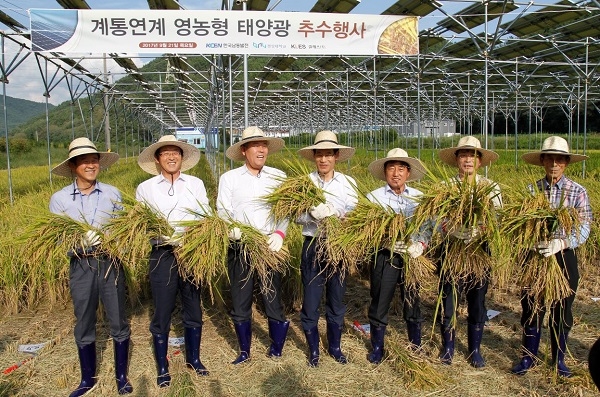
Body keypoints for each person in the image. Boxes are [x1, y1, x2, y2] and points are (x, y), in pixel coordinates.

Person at [49, 137, 132, 396]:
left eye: (94, 160)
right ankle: (87, 379)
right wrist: (79, 243)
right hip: (80, 265)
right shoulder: (60, 199)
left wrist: (117, 242)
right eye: (84, 161)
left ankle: (121, 376)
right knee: (84, 319)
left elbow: (124, 229)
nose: (90, 165)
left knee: (118, 319)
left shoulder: (112, 193)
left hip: (110, 262)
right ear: (73, 166)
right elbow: (57, 237)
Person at [511, 136, 592, 377]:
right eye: (550, 159)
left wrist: (563, 242)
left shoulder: (578, 191)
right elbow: (520, 224)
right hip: (535, 257)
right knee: (532, 308)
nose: (554, 164)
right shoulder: (531, 191)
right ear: (543, 161)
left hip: (564, 256)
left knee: (562, 310)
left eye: (560, 159)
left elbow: (585, 226)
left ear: (566, 162)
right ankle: (528, 357)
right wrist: (530, 237)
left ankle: (558, 360)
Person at [136, 135, 210, 387]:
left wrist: (195, 232)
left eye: (175, 152)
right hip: (162, 253)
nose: (171, 156)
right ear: (157, 159)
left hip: (191, 252)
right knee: (162, 310)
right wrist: (158, 233)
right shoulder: (145, 188)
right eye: (165, 153)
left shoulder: (196, 183)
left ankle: (195, 360)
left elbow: (206, 215)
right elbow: (141, 224)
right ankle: (163, 367)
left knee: (193, 307)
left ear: (182, 157)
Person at [216, 126, 290, 364]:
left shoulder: (279, 177)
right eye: (255, 145)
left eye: (264, 145)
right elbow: (223, 210)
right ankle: (244, 351)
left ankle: (277, 347)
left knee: (272, 298)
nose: (261, 149)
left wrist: (280, 233)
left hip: (270, 247)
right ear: (244, 150)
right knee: (240, 301)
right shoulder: (229, 179)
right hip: (240, 247)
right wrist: (232, 230)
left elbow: (286, 211)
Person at [436, 136, 502, 368]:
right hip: (451, 249)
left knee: (477, 302)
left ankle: (474, 349)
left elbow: (497, 221)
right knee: (449, 301)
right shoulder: (445, 187)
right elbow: (435, 218)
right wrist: (451, 229)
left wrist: (480, 230)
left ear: (480, 161)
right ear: (456, 160)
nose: (468, 160)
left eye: (473, 155)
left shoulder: (490, 188)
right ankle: (449, 347)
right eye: (463, 155)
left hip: (479, 252)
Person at [296, 130, 357, 367]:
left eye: (328, 155)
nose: (323, 159)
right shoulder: (305, 183)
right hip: (313, 244)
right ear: (314, 157)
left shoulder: (348, 183)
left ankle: (335, 346)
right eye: (319, 155)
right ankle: (313, 351)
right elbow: (295, 216)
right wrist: (311, 214)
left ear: (336, 156)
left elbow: (355, 214)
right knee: (311, 301)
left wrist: (339, 215)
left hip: (338, 246)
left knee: (336, 299)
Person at [365, 148, 429, 364]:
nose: (396, 173)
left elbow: (429, 227)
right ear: (385, 172)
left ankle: (415, 344)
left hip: (412, 258)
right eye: (391, 168)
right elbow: (365, 230)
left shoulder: (420, 198)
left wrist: (420, 245)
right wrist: (384, 240)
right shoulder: (373, 198)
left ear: (408, 173)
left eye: (401, 168)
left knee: (412, 300)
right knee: (380, 300)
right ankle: (377, 347)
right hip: (385, 256)